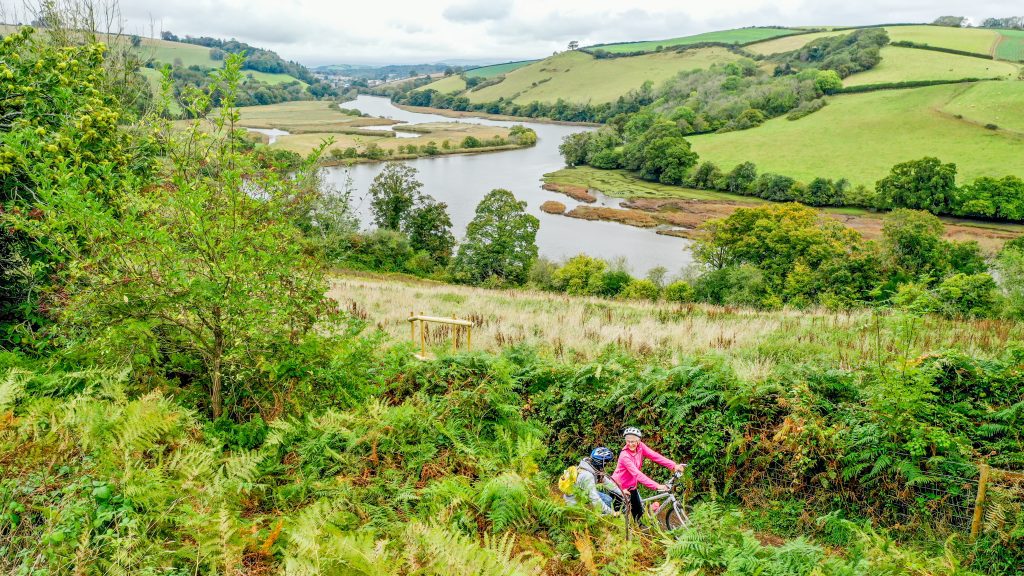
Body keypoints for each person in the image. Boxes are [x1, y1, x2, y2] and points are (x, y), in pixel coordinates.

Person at [611, 426, 686, 526]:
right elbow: (637, 474)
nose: (630, 444)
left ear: (638, 441)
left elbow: (655, 456)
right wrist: (657, 486)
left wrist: (673, 465)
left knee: (639, 518)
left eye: (633, 441)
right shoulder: (624, 456)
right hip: (618, 488)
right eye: (628, 441)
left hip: (631, 486)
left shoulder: (641, 447)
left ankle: (639, 530)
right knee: (618, 521)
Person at [564, 447, 622, 515]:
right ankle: (601, 519)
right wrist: (612, 513)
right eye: (606, 462)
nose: (607, 465)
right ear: (601, 463)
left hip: (584, 493)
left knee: (608, 499)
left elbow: (608, 483)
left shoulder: (592, 467)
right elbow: (595, 500)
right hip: (575, 501)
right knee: (606, 502)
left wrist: (621, 492)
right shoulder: (587, 475)